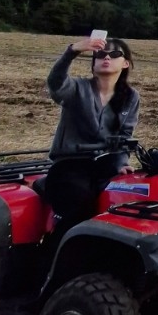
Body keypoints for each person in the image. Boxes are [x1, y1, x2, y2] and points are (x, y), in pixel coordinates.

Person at [44, 33, 140, 233]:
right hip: (69, 166)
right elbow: (55, 83)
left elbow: (125, 137)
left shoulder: (130, 97)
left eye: (114, 54)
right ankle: (58, 255)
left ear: (125, 64)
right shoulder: (76, 88)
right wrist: (72, 51)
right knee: (80, 205)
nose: (106, 57)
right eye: (100, 54)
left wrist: (121, 164)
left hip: (106, 166)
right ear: (93, 63)